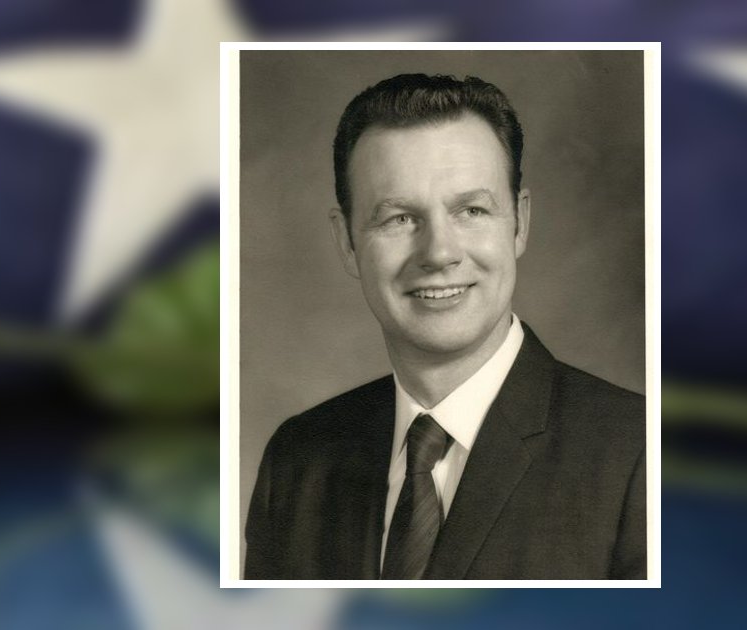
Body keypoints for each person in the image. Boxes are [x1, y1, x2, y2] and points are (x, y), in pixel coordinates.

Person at [245, 73, 646, 580]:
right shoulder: (298, 460)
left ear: (519, 223)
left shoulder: (642, 454)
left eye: (471, 210)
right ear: (347, 242)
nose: (438, 253)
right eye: (398, 218)